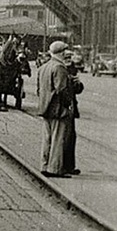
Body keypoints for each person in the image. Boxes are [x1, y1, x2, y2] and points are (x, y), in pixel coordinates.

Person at [36, 40, 77, 178]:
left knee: (47, 139)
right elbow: (62, 90)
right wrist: (68, 104)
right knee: (58, 139)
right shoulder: (60, 68)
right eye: (65, 51)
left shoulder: (44, 67)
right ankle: (55, 169)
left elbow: (39, 90)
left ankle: (44, 166)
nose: (66, 54)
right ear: (61, 53)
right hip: (58, 109)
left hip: (45, 108)